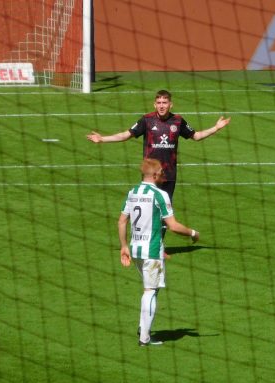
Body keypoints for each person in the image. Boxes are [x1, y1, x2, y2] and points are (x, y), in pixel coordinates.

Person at [88, 89, 230, 201]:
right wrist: (102, 139)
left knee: (165, 214)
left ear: (170, 104)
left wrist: (216, 128)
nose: (162, 106)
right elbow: (126, 135)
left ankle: (160, 239)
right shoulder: (147, 120)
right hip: (150, 174)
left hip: (169, 174)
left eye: (165, 103)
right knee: (149, 209)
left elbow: (197, 136)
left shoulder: (178, 121)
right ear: (154, 104)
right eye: (159, 103)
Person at [118, 158, 200, 346]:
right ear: (154, 175)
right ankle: (145, 338)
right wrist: (193, 233)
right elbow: (173, 226)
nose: (164, 174)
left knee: (149, 289)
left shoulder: (133, 192)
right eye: (162, 172)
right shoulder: (160, 195)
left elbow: (121, 221)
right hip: (152, 250)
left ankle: (142, 328)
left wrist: (124, 246)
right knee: (150, 291)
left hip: (136, 250)